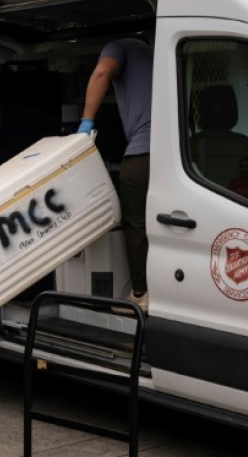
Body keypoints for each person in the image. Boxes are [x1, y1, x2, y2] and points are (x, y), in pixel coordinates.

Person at [78, 37, 153, 313]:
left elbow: (101, 72)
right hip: (169, 152)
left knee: (135, 224)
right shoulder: (151, 53)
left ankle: (140, 294)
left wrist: (86, 122)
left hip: (142, 154)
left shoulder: (116, 46)